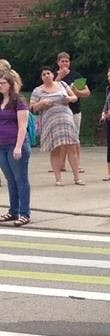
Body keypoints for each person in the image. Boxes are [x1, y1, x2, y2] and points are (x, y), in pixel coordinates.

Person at [30, 65, 82, 186]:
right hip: (50, 122)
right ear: (41, 77)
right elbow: (31, 108)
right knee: (55, 150)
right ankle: (58, 179)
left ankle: (77, 177)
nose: (47, 76)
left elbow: (74, 97)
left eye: (48, 73)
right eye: (44, 74)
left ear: (53, 75)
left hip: (66, 119)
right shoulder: (38, 91)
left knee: (72, 147)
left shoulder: (62, 85)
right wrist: (42, 103)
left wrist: (68, 98)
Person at [0, 71, 31, 226]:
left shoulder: (18, 101)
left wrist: (18, 146)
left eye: (3, 83)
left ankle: (24, 213)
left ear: (10, 84)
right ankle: (13, 211)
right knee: (10, 180)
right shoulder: (0, 101)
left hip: (15, 144)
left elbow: (22, 126)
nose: (0, 86)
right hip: (2, 145)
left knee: (21, 179)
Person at [55, 51, 90, 171]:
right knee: (61, 139)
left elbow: (86, 92)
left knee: (74, 138)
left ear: (69, 63)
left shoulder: (76, 76)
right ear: (58, 62)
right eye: (62, 61)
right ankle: (61, 164)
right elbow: (50, 90)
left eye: (67, 61)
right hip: (59, 112)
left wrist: (76, 92)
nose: (64, 63)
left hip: (74, 111)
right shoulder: (53, 76)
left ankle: (77, 164)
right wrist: (59, 77)